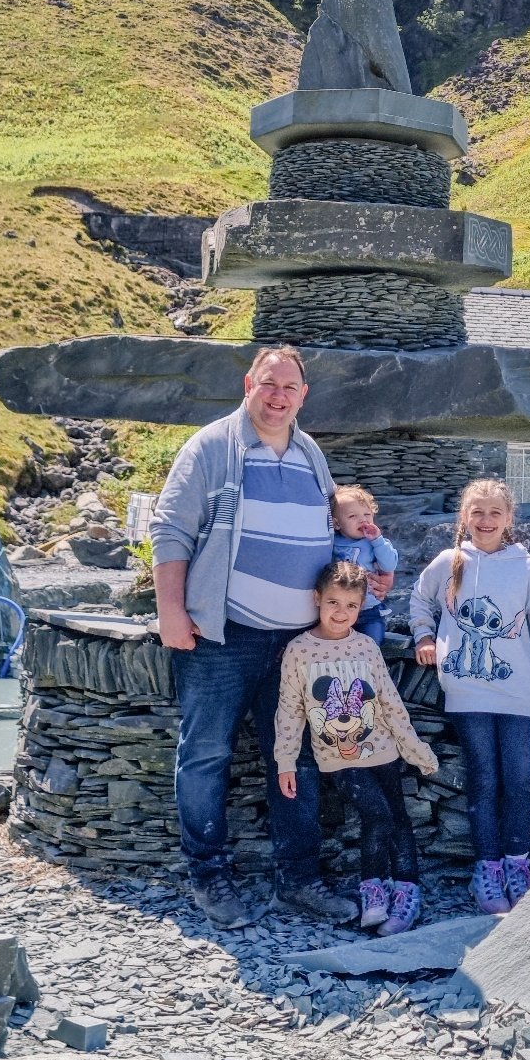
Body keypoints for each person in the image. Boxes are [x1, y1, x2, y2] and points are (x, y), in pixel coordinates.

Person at [149, 344, 360, 928]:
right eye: (269, 384)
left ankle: (299, 880)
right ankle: (210, 877)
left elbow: (324, 533)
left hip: (297, 640)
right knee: (206, 752)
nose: (278, 396)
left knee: (295, 755)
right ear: (249, 384)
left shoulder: (310, 453)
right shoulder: (212, 447)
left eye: (289, 388)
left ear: (303, 396)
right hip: (224, 633)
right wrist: (171, 609)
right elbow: (170, 528)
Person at [411, 478, 530, 915]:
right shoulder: (448, 562)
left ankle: (517, 863)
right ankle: (487, 867)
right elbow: (418, 599)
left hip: (519, 694)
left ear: (509, 519)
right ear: (465, 516)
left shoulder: (524, 568)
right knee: (483, 780)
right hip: (467, 694)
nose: (485, 520)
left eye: (495, 512)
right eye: (477, 512)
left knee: (518, 781)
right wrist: (425, 635)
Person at [273, 561, 439, 935]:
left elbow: (390, 703)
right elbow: (290, 709)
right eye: (333, 602)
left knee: (398, 817)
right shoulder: (299, 651)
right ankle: (375, 890)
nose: (341, 613)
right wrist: (285, 760)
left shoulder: (365, 646)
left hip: (385, 752)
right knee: (377, 816)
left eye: (351, 605)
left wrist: (416, 751)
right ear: (317, 599)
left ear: (361, 606)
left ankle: (407, 892)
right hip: (339, 758)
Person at [328, 485, 400, 647]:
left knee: (371, 645)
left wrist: (377, 540)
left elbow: (389, 564)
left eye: (367, 514)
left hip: (368, 608)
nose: (363, 520)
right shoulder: (332, 543)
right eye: (352, 516)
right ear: (337, 524)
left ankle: (370, 669)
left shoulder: (376, 543)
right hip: (338, 609)